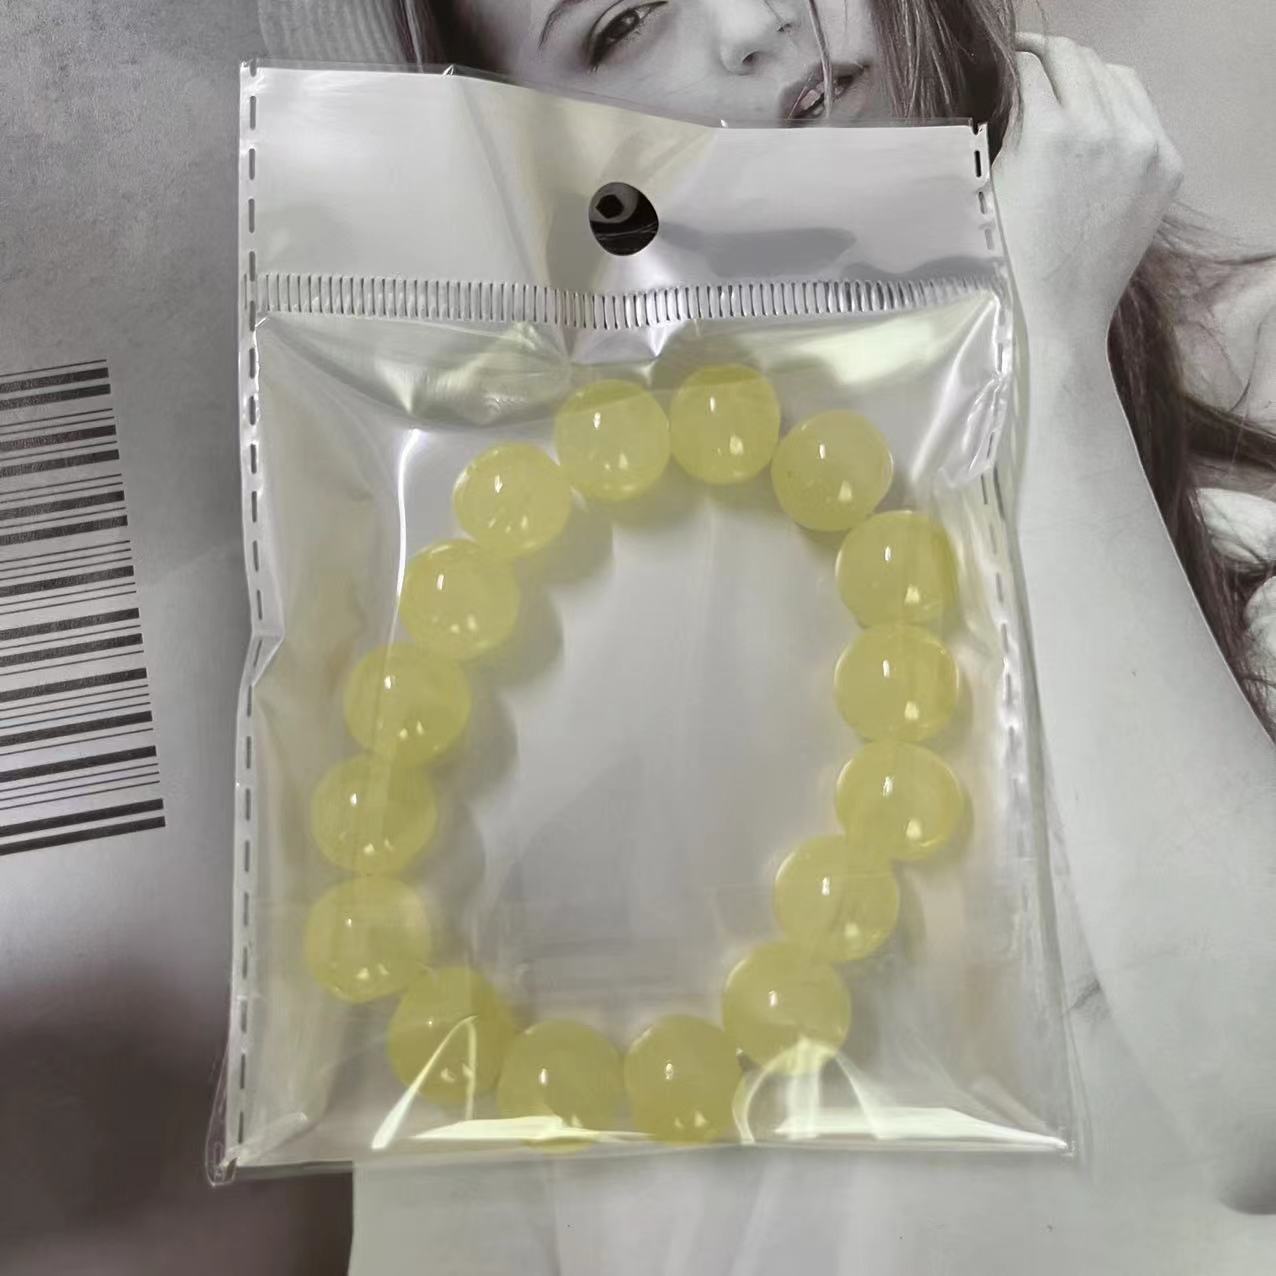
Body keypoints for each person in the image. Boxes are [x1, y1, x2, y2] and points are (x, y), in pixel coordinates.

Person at [263, 0, 1276, 1218]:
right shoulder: (500, 623)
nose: (753, 23)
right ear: (519, 135)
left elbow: (1260, 1096)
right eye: (623, 22)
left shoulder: (1251, 365)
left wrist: (1046, 354)